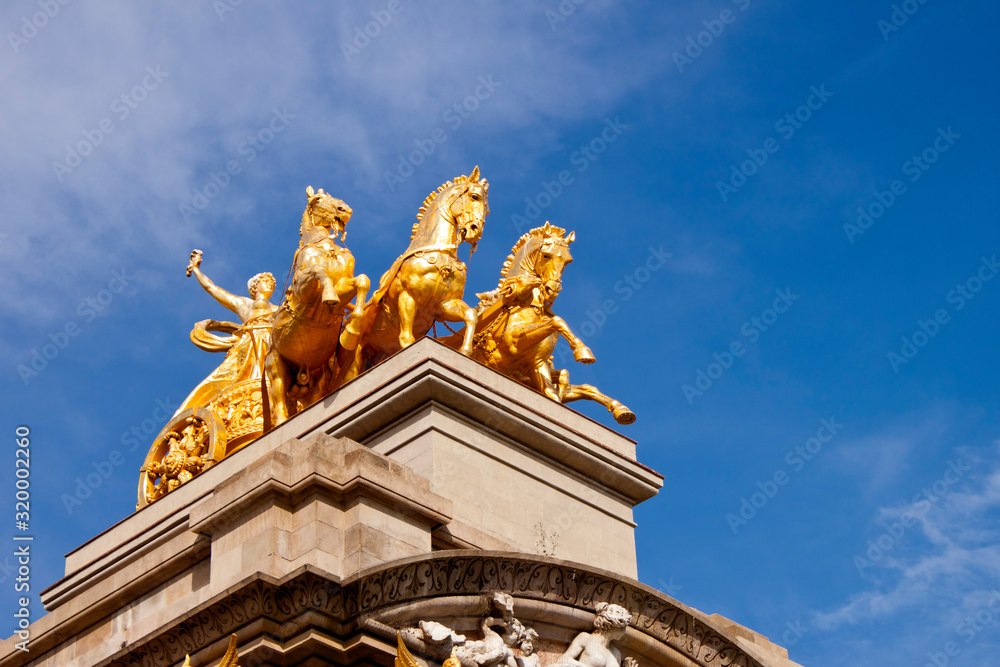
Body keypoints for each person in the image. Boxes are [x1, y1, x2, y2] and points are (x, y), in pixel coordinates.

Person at [174, 250, 279, 415]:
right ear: (255, 286)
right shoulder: (244, 303)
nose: (271, 285)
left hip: (275, 341)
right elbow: (212, 288)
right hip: (252, 341)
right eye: (266, 281)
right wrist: (195, 269)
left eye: (272, 283)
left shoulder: (279, 308)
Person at [555, 603, 637, 667]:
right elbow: (563, 660)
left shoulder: (616, 653)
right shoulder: (586, 638)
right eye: (623, 627)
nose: (624, 631)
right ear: (613, 626)